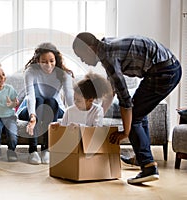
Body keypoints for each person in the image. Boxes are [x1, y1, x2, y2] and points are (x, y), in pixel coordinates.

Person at [72, 32, 182, 184]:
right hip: (165, 67)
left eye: (81, 56)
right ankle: (142, 156)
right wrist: (98, 116)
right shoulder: (106, 46)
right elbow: (111, 92)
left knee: (135, 115)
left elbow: (125, 101)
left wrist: (125, 132)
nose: (82, 60)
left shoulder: (109, 58)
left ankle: (148, 167)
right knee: (139, 112)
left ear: (90, 48)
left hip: (164, 71)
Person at [17, 42, 74, 165]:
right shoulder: (30, 71)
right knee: (39, 100)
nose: (48, 65)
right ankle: (33, 151)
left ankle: (46, 149)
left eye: (51, 61)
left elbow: (69, 96)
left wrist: (75, 116)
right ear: (38, 61)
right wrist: (32, 117)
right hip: (30, 109)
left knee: (51, 101)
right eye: (44, 61)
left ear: (56, 60)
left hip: (54, 109)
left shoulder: (64, 74)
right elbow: (31, 96)